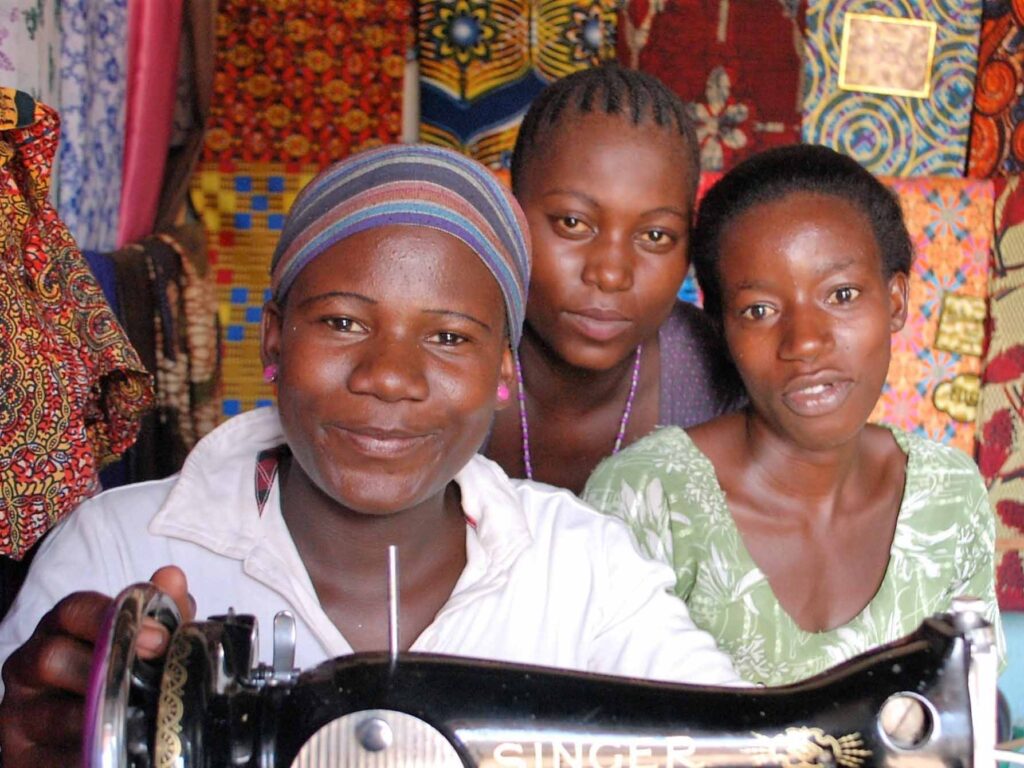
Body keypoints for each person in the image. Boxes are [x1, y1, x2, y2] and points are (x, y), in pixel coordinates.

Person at [0, 144, 742, 767]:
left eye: (449, 337)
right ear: (273, 341)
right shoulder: (119, 546)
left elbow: (738, 744)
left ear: (505, 372)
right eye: (345, 322)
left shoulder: (586, 571)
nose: (389, 374)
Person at [583, 144, 1004, 686]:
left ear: (896, 301)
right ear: (722, 328)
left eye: (842, 294)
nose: (804, 342)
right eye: (759, 310)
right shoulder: (647, 499)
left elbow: (969, 709)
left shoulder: (948, 496)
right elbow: (597, 731)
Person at [485, 64, 743, 494]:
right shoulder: (447, 350)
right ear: (511, 214)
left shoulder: (717, 384)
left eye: (655, 235)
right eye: (573, 222)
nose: (610, 273)